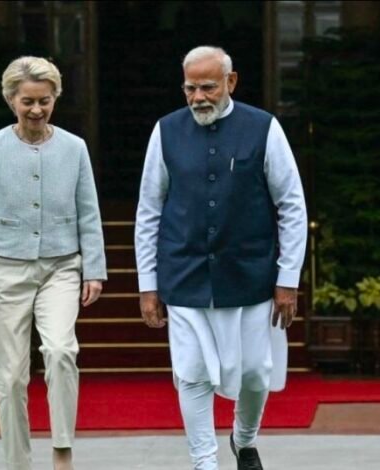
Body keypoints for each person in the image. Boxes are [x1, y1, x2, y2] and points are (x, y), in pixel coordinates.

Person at [135, 46, 307, 470]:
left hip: (250, 274)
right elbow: (149, 210)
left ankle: (243, 440)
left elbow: (291, 204)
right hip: (184, 273)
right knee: (191, 373)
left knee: (255, 373)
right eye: (190, 88)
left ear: (231, 82)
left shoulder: (264, 128)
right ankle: (205, 463)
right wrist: (148, 285)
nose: (198, 97)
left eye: (208, 87)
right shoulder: (165, 130)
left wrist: (288, 278)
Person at [0, 56, 107, 470]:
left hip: (61, 266)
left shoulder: (74, 148)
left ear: (56, 98)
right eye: (28, 101)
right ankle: (18, 463)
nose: (37, 110)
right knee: (8, 376)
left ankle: (62, 450)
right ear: (11, 101)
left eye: (45, 101)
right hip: (3, 269)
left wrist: (94, 269)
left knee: (60, 350)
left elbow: (88, 213)